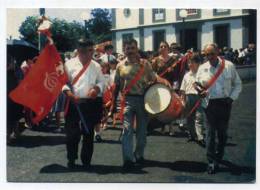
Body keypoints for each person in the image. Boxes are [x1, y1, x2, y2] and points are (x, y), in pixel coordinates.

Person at [110, 39, 170, 171]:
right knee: (127, 131)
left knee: (142, 132)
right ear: (124, 50)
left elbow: (153, 79)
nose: (130, 51)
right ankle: (128, 160)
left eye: (132, 48)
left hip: (143, 100)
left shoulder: (145, 64)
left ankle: (139, 154)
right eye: (127, 48)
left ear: (137, 49)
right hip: (127, 101)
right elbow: (116, 86)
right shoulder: (120, 66)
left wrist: (163, 86)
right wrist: (113, 104)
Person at [196, 43, 242, 174]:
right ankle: (211, 161)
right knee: (210, 134)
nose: (209, 57)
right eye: (206, 54)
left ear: (218, 52)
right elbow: (197, 84)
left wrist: (231, 98)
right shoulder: (202, 68)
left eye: (212, 53)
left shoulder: (228, 66)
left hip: (224, 103)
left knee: (222, 134)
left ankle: (219, 156)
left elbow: (237, 84)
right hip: (209, 104)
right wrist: (199, 91)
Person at [62, 38, 105, 170]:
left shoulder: (96, 66)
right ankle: (71, 158)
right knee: (72, 134)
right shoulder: (68, 64)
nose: (91, 53)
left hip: (89, 103)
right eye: (88, 50)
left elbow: (102, 82)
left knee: (88, 133)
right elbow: (62, 82)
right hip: (73, 102)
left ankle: (86, 160)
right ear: (80, 50)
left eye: (91, 50)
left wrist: (96, 89)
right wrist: (68, 93)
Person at [151, 41, 178, 135]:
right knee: (162, 106)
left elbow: (177, 73)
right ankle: (162, 127)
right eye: (161, 46)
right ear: (159, 49)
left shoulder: (173, 59)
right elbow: (152, 73)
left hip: (170, 85)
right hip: (160, 85)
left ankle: (171, 127)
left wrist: (173, 71)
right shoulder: (155, 60)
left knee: (170, 107)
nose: (163, 48)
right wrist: (159, 79)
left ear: (168, 48)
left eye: (165, 46)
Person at [180, 53, 205, 146]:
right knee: (189, 117)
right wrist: (182, 99)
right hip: (189, 97)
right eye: (189, 63)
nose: (190, 65)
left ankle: (200, 137)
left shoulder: (202, 74)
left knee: (199, 117)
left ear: (198, 63)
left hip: (198, 97)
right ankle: (191, 135)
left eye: (192, 63)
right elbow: (183, 88)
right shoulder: (187, 75)